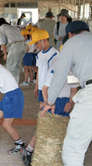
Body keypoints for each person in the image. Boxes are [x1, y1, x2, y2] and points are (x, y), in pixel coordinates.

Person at [41, 20, 91, 166]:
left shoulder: (72, 43)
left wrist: (50, 102)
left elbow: (59, 75)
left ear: (70, 34)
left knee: (73, 149)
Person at [0, 18, 26, 83]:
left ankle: (11, 85)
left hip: (15, 46)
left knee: (10, 66)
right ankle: (16, 84)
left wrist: (5, 54)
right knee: (17, 66)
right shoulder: (12, 27)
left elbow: (2, 42)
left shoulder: (0, 28)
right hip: (23, 46)